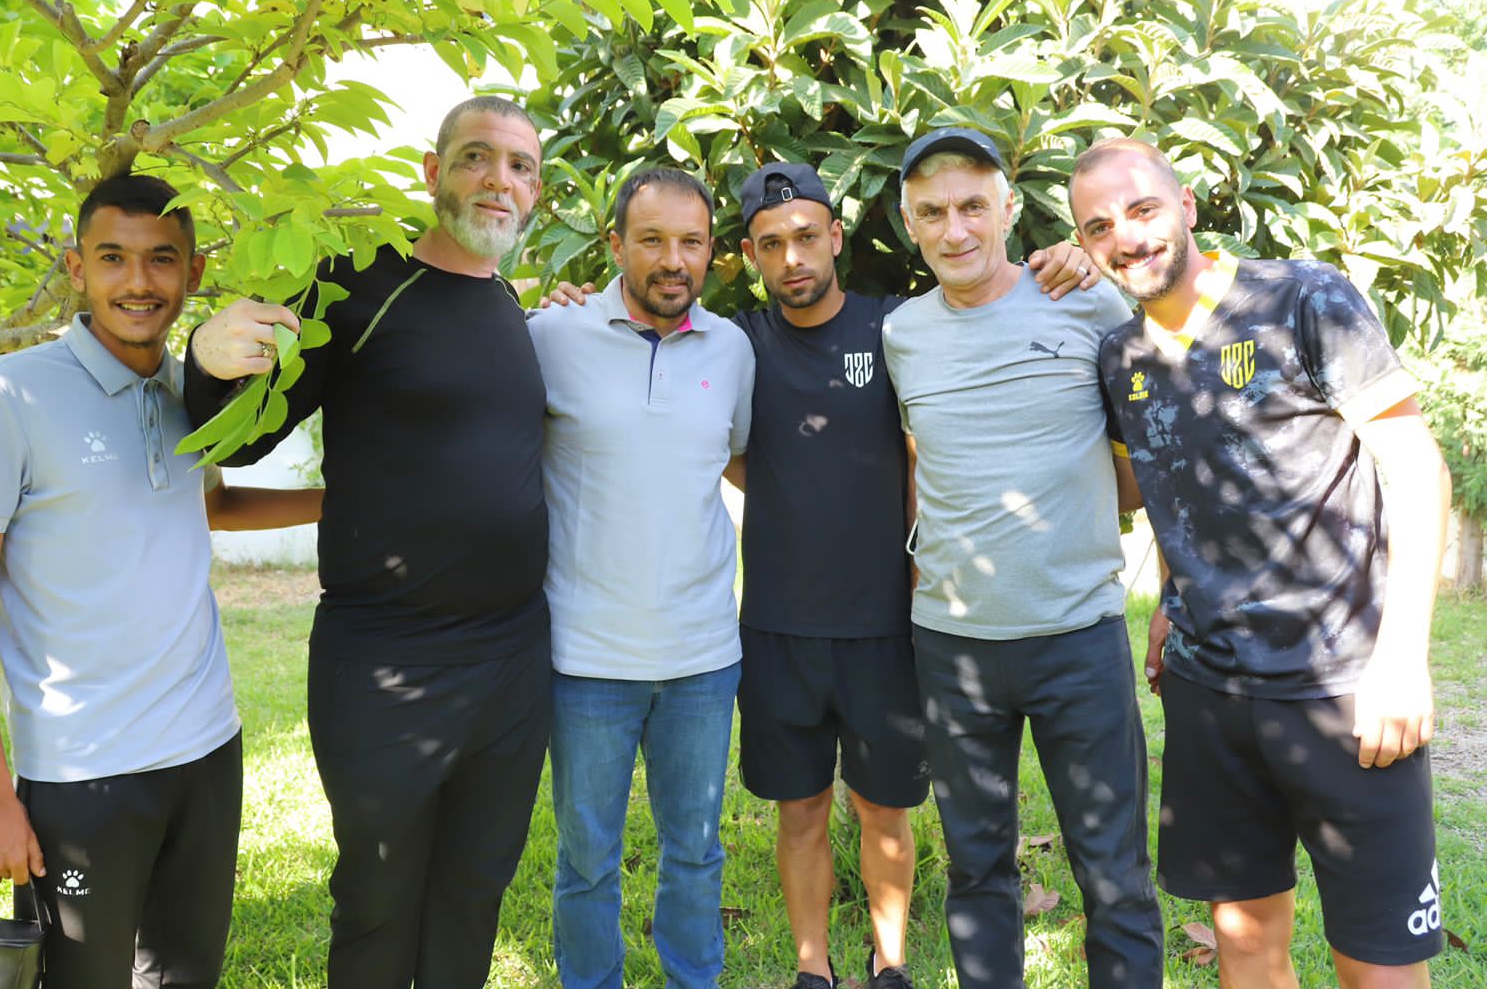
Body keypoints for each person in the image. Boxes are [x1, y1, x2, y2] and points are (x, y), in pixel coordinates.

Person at [545, 161, 1101, 989]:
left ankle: (889, 962)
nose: (793, 257)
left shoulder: (895, 328)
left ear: (836, 237)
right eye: (771, 244)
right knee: (799, 809)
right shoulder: (737, 344)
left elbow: (925, 439)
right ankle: (813, 968)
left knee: (886, 810)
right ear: (748, 255)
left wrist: (1069, 260)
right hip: (776, 626)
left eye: (807, 237)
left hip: (885, 624)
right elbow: (729, 451)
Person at [181, 96, 552, 989]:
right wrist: (205, 355)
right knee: (378, 901)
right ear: (432, 173)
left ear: (536, 193)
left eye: (520, 166)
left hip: (512, 659)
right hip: (386, 662)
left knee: (475, 891)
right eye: (476, 156)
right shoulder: (357, 286)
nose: (498, 180)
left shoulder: (510, 305)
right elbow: (236, 437)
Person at [1071, 137, 1451, 989]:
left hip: (1344, 689)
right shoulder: (1121, 359)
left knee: (1378, 966)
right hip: (1209, 694)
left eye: (1142, 209)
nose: (1125, 237)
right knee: (1242, 943)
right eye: (1098, 227)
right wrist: (1172, 595)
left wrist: (1402, 661)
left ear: (1187, 206)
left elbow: (1418, 468)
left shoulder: (1304, 299)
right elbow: (1176, 482)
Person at [0, 172, 323, 986]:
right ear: (77, 268)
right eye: (113, 257)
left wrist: (342, 498)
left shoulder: (190, 389)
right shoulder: (12, 391)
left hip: (208, 749)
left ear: (194, 272)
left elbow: (210, 505)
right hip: (81, 772)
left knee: (185, 975)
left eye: (162, 259)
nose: (138, 281)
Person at [880, 128, 1164, 989]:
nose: (956, 229)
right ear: (909, 224)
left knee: (1114, 876)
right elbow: (916, 460)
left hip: (1079, 636)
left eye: (974, 206)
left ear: (1009, 208)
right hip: (953, 645)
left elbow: (1147, 459)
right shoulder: (901, 334)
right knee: (976, 871)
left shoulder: (1088, 302)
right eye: (933, 212)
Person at [526, 167, 754, 989]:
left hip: (703, 654)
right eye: (652, 239)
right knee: (587, 858)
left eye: (690, 242)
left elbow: (737, 459)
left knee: (696, 847)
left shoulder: (732, 349)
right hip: (586, 656)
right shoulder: (549, 336)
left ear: (712, 253)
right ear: (615, 243)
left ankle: (695, 979)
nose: (672, 260)